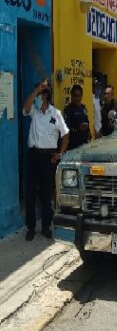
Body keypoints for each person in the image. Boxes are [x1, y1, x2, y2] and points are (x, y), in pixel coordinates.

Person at [22, 79, 69, 240]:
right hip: (34, 156)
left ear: (45, 96)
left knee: (46, 194)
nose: (36, 97)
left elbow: (65, 135)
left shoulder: (56, 114)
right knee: (30, 194)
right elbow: (26, 106)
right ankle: (31, 227)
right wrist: (36, 90)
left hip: (49, 158)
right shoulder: (34, 111)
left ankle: (46, 226)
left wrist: (59, 154)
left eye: (40, 94)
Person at [63, 84, 91, 150]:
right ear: (71, 96)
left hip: (84, 144)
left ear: (81, 96)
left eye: (79, 96)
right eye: (75, 96)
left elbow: (87, 122)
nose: (77, 98)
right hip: (73, 145)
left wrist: (89, 132)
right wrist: (77, 128)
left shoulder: (83, 108)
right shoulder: (68, 110)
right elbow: (65, 129)